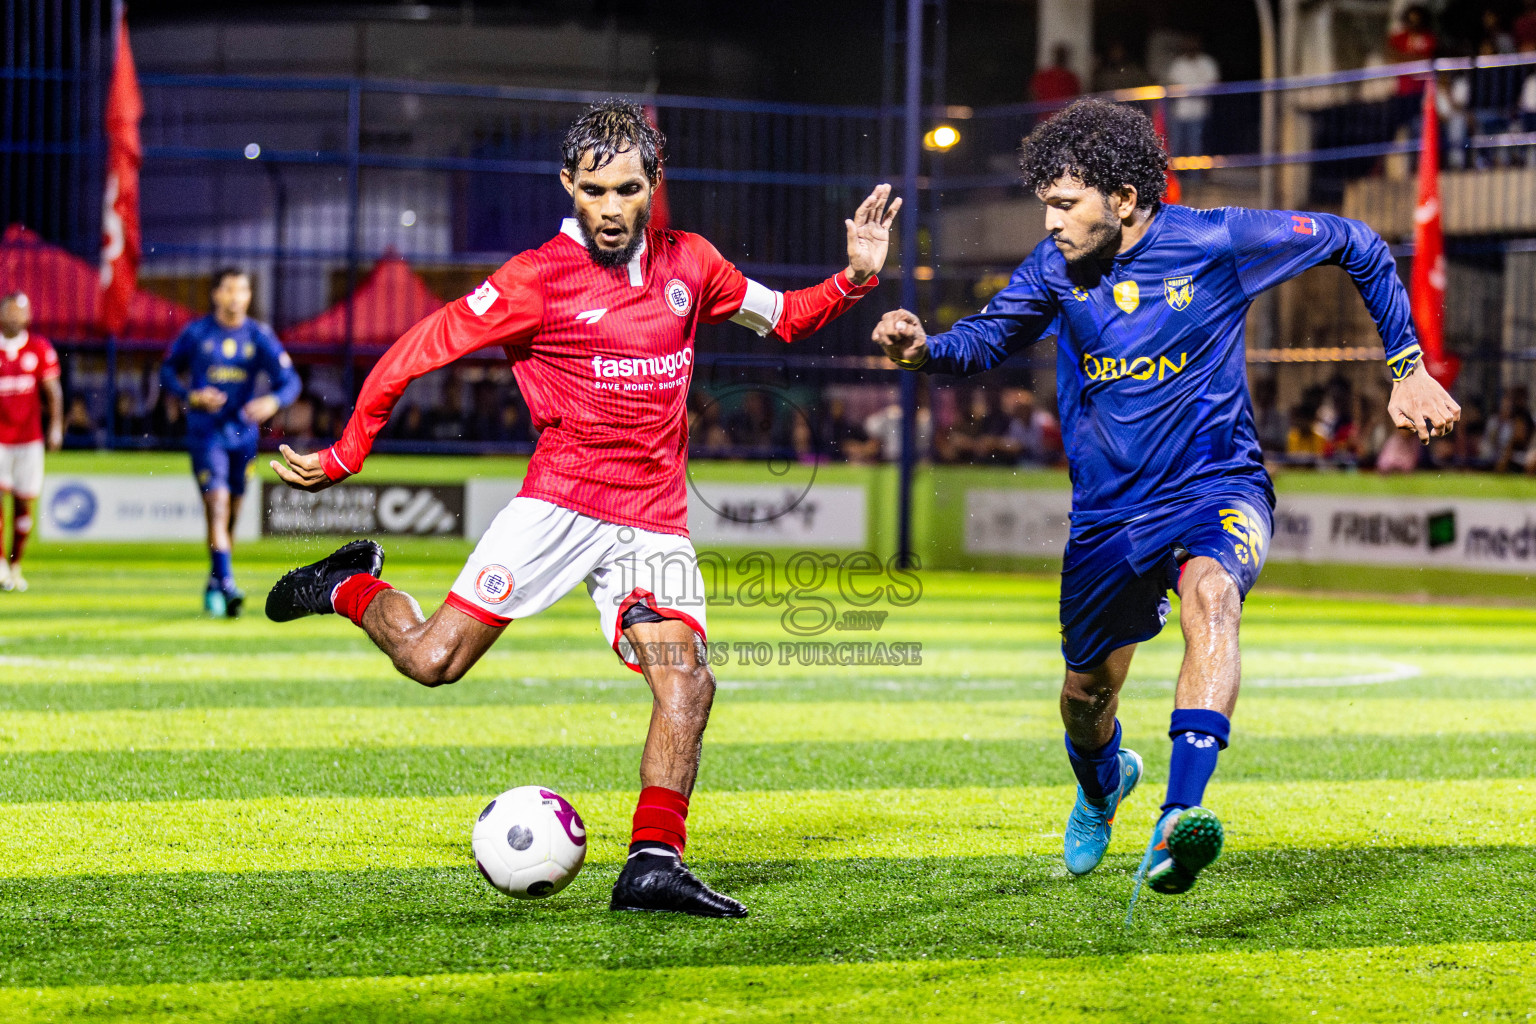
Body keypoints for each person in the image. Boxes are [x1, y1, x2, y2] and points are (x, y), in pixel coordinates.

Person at [264, 100, 899, 919]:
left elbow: (785, 318)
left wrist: (856, 276)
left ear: (652, 186)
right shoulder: (535, 279)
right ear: (568, 184)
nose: (609, 208)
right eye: (594, 189)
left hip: (653, 519)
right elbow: (417, 348)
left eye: (627, 190)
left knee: (688, 685)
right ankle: (349, 584)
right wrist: (351, 449)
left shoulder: (692, 265)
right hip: (556, 504)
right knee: (431, 662)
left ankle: (652, 864)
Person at [871, 99, 1458, 903]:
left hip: (1218, 486)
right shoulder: (1054, 270)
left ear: (1123, 198)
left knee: (1212, 602)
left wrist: (1408, 365)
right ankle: (1103, 783)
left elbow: (1357, 241)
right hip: (1110, 517)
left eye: (1064, 204)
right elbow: (985, 339)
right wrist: (923, 351)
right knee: (1085, 699)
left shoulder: (1216, 239)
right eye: (1045, 204)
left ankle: (1179, 817)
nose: (1050, 222)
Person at [160, 268, 301, 617]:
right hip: (206, 434)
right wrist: (190, 396)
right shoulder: (197, 333)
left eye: (242, 290)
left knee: (232, 515)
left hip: (243, 437)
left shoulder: (258, 336)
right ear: (216, 295)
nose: (236, 297)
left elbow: (290, 380)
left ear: (249, 297)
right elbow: (166, 371)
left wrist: (273, 401)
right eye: (229, 290)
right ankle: (228, 586)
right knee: (218, 506)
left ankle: (215, 581)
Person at [0, 292, 63, 593]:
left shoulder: (38, 347)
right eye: (12, 311)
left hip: (29, 440)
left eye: (23, 312)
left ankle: (15, 565)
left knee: (25, 503)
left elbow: (53, 392)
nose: (18, 317)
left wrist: (55, 427)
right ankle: (0, 564)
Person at [1164, 35, 1219, 167]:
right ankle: (1176, 182)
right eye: (1188, 44)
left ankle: (1195, 180)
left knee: (1195, 148)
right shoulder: (1178, 64)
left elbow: (1214, 84)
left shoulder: (1207, 62)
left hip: (1198, 112)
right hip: (1179, 112)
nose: (1191, 47)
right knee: (1176, 148)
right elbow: (1170, 85)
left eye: (1194, 44)